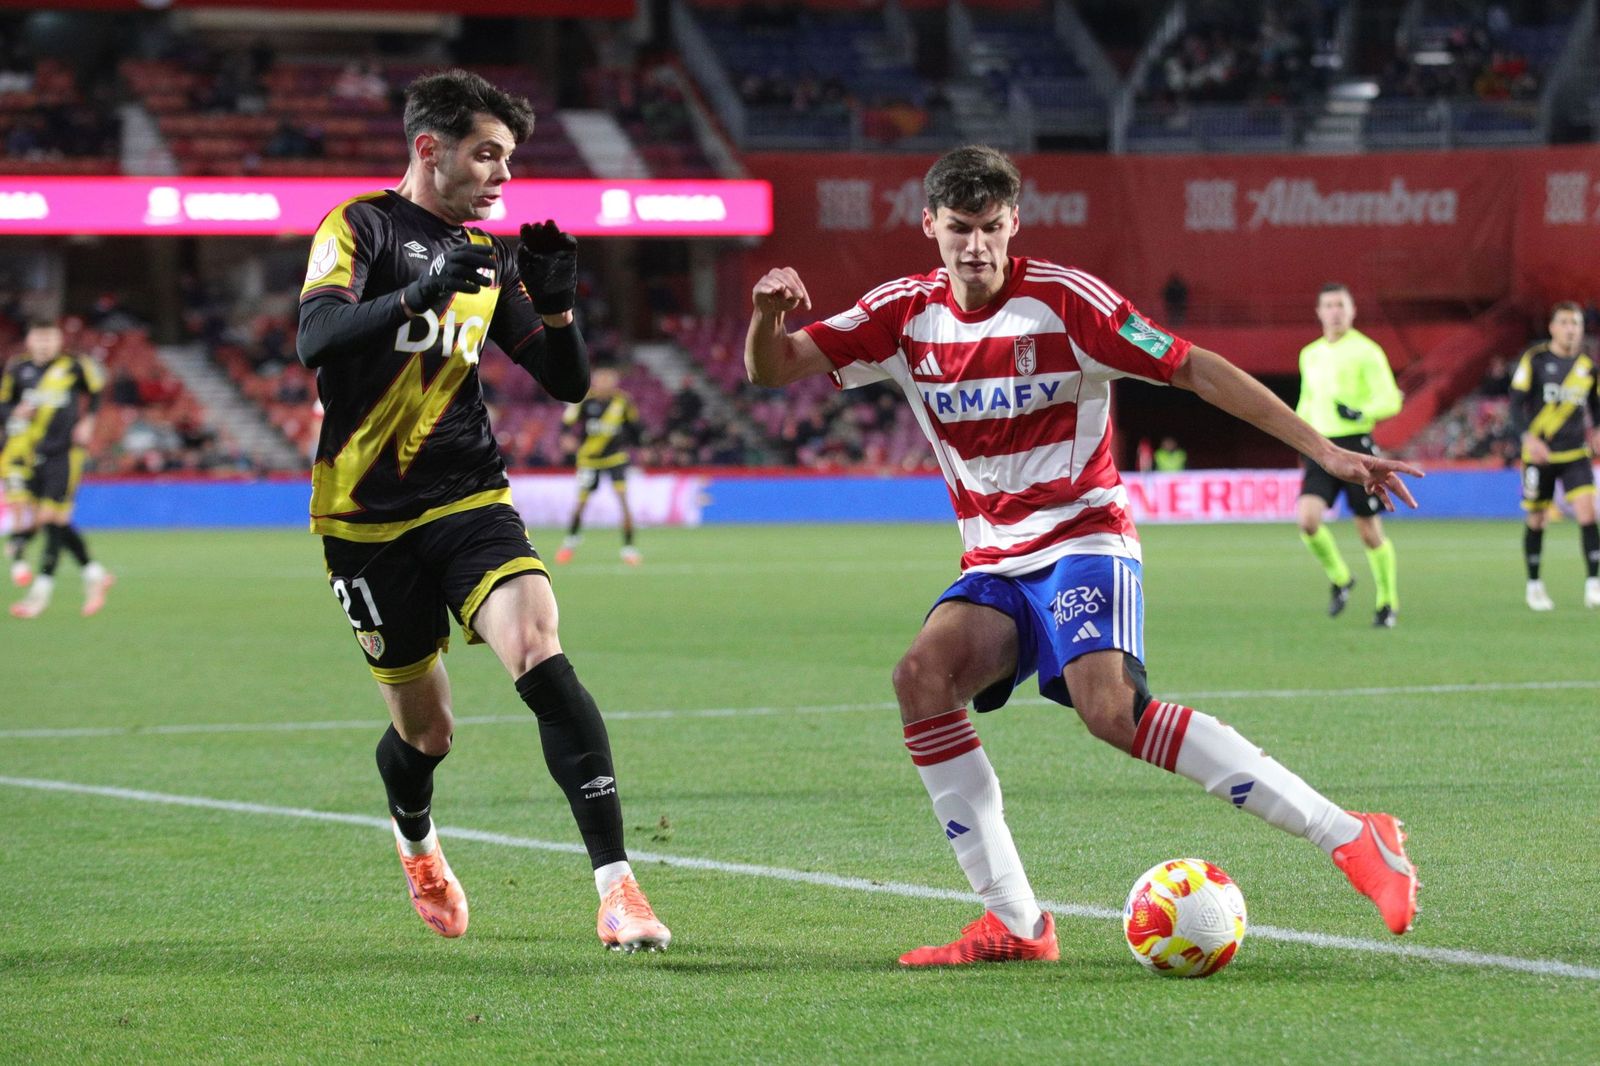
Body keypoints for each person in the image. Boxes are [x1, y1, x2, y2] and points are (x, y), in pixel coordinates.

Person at [746, 145, 1422, 967]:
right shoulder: (901, 314)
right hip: (994, 562)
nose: (976, 247)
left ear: (1014, 223)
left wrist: (1330, 452)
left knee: (1110, 712)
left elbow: (1197, 370)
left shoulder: (1067, 304)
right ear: (930, 226)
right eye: (959, 228)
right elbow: (773, 368)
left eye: (992, 227)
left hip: (1083, 538)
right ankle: (1018, 925)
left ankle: (1353, 837)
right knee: (919, 679)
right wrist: (763, 316)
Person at [295, 69, 669, 951]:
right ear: (430, 149)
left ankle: (619, 892)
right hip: (363, 517)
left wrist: (560, 304)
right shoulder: (360, 227)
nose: (503, 176)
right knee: (427, 731)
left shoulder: (488, 256)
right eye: (487, 155)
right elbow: (316, 337)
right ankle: (417, 839)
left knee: (540, 648)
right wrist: (420, 293)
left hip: (469, 494)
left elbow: (567, 383)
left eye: (509, 159)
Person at [1293, 283, 1404, 627]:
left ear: (1352, 311)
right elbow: (1306, 401)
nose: (1335, 311)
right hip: (1321, 447)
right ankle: (1341, 578)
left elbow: (1391, 398)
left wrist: (1361, 411)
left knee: (1369, 532)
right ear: (1319, 312)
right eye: (1329, 305)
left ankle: (1387, 601)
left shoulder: (1367, 351)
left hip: (1356, 448)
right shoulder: (1309, 354)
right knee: (1307, 521)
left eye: (1341, 305)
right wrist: (1299, 435)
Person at [3, 315, 113, 619]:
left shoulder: (74, 366)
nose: (45, 343)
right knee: (51, 521)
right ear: (29, 341)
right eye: (39, 337)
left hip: (65, 454)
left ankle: (39, 595)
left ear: (58, 340)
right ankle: (94, 574)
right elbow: (4, 405)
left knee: (51, 518)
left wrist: (89, 421)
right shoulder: (18, 369)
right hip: (29, 453)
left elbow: (97, 390)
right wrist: (16, 411)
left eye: (50, 338)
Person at [1509, 301, 1600, 610]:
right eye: (1564, 322)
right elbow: (1514, 405)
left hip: (1575, 453)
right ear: (1552, 327)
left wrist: (1598, 431)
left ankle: (1593, 584)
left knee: (1588, 514)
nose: (1570, 328)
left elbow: (1596, 408)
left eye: (1575, 323)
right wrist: (1529, 438)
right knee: (1537, 520)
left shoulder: (1587, 367)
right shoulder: (1534, 359)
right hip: (1539, 455)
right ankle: (1534, 585)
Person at [554, 364, 642, 566]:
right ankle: (570, 542)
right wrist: (565, 438)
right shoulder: (585, 401)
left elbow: (635, 427)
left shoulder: (623, 402)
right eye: (601, 381)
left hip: (615, 458)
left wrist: (640, 446)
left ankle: (629, 548)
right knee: (581, 504)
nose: (604, 385)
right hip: (589, 460)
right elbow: (566, 424)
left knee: (623, 500)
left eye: (608, 381)